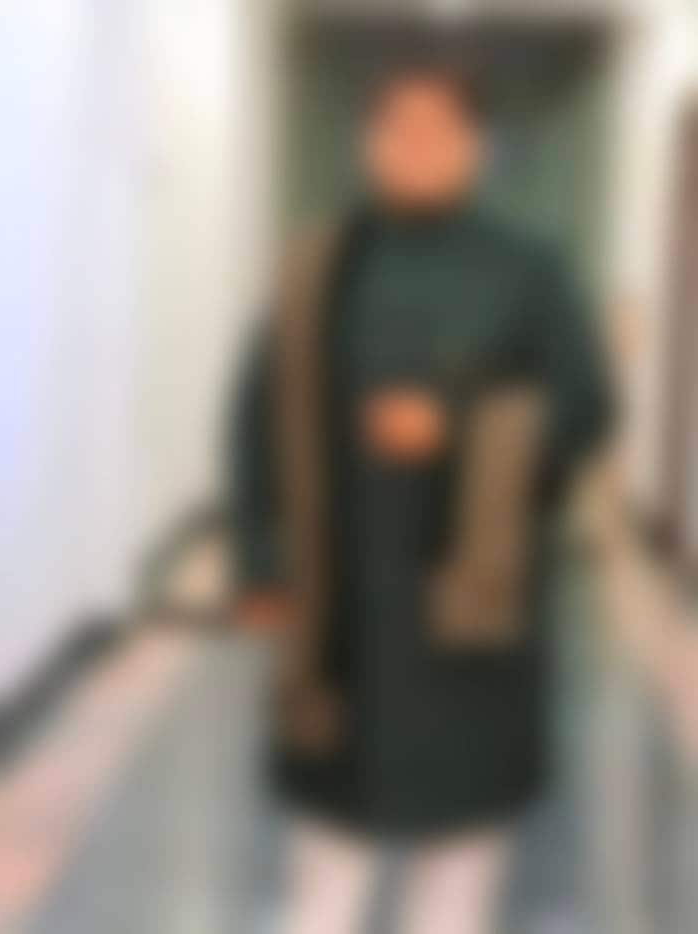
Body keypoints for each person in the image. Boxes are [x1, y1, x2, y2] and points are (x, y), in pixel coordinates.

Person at [230, 61, 613, 933]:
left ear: (475, 147)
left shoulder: (528, 270)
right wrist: (260, 560)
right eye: (398, 128)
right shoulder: (319, 268)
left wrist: (460, 426)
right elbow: (257, 420)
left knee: (458, 870)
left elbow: (586, 406)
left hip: (471, 618)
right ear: (370, 144)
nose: (418, 147)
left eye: (441, 129)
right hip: (342, 620)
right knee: (326, 867)